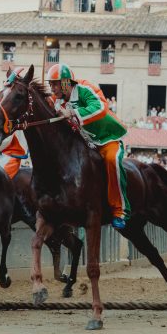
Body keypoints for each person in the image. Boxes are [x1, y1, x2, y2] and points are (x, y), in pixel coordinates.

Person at [47, 63, 130, 229]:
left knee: (112, 160)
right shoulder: (56, 100)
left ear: (65, 82)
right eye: (50, 84)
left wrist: (73, 113)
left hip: (107, 138)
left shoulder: (85, 88)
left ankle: (120, 211)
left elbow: (100, 107)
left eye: (54, 84)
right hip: (84, 142)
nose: (52, 88)